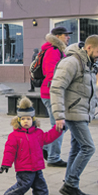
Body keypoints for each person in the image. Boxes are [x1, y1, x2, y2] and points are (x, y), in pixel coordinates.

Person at [50, 34, 98, 195]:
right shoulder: (71, 62)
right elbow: (57, 88)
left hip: (80, 112)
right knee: (88, 147)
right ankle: (71, 185)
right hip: (73, 113)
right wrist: (58, 115)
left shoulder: (87, 63)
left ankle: (70, 185)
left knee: (77, 148)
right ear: (88, 48)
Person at [0, 96, 63, 195]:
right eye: (23, 119)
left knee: (40, 186)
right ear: (18, 121)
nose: (26, 121)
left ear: (33, 120)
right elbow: (9, 150)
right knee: (24, 184)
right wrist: (6, 164)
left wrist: (58, 130)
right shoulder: (14, 136)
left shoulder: (38, 133)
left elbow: (48, 138)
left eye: (28, 119)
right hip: (24, 167)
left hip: (37, 166)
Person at [40, 26, 72, 168]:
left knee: (63, 124)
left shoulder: (57, 50)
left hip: (52, 92)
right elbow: (51, 73)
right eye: (66, 35)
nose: (68, 37)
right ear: (58, 36)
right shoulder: (53, 50)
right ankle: (53, 157)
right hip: (51, 93)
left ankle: (46, 148)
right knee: (59, 125)